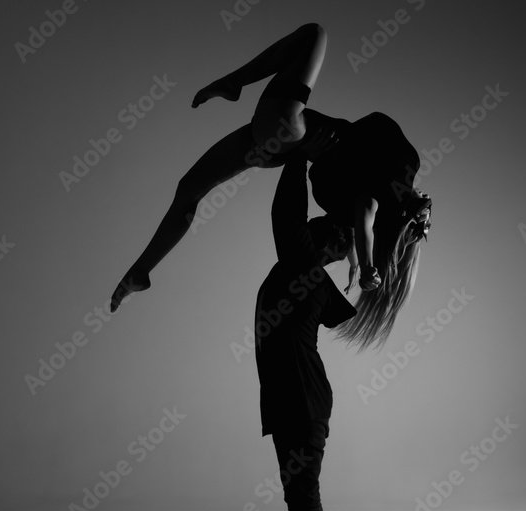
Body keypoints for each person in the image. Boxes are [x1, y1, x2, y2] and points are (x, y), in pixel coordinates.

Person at [108, 22, 428, 316]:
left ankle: (234, 82)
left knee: (314, 35)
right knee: (190, 187)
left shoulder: (395, 177)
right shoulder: (369, 196)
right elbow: (364, 220)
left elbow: (366, 213)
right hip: (275, 146)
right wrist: (359, 265)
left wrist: (367, 263)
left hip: (289, 126)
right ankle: (141, 271)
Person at [255, 131, 430, 511]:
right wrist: (357, 261)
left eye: (313, 227)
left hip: (302, 403)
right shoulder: (314, 277)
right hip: (299, 399)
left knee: (302, 497)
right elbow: (338, 311)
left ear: (317, 239)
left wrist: (294, 153)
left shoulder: (300, 260)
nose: (305, 226)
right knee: (298, 496)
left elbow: (284, 211)